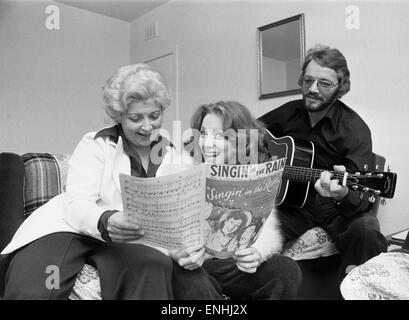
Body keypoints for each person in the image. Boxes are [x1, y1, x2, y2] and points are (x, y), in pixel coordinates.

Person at [0, 63, 220, 300]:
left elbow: (174, 221)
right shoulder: (95, 144)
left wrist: (178, 251)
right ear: (119, 116)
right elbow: (76, 205)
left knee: (153, 265)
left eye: (154, 116)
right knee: (37, 289)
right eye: (136, 118)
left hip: (129, 241)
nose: (148, 126)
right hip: (68, 228)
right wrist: (107, 219)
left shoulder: (175, 156)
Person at [258, 44, 388, 287]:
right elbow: (250, 132)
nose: (313, 89)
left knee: (367, 229)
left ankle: (357, 290)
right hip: (292, 205)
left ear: (341, 87)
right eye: (308, 81)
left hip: (335, 209)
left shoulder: (355, 130)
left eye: (324, 84)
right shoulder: (288, 113)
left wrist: (342, 193)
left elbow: (360, 199)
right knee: (251, 226)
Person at [171, 101, 302, 300]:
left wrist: (257, 253)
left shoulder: (253, 176)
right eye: (204, 134)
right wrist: (177, 252)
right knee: (192, 280)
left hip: (228, 266)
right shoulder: (180, 169)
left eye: (220, 136)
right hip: (190, 265)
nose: (207, 144)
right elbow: (160, 231)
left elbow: (269, 233)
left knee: (286, 269)